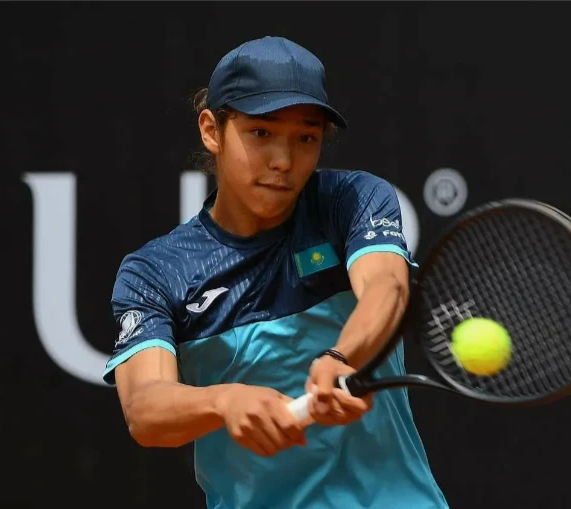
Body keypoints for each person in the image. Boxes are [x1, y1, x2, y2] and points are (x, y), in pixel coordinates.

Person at [103, 36, 449, 509]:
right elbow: (145, 409)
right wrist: (223, 401)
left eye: (306, 138)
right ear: (211, 130)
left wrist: (342, 356)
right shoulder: (156, 271)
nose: (284, 161)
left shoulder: (351, 201)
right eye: (261, 133)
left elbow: (387, 287)